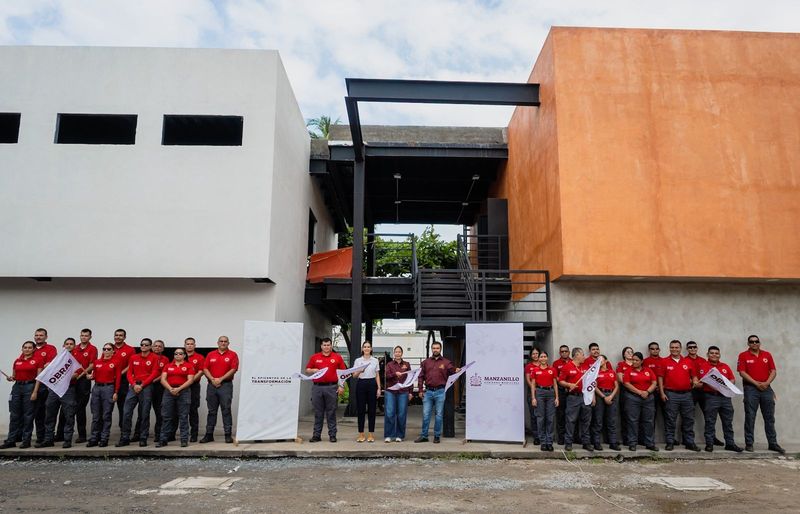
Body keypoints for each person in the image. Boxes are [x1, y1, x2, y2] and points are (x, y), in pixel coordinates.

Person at [737, 335, 784, 453]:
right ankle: (749, 444)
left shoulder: (767, 355)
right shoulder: (743, 355)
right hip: (751, 389)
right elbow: (742, 372)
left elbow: (773, 371)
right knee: (750, 416)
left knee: (769, 418)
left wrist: (766, 383)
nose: (754, 343)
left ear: (759, 343)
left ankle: (773, 443)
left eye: (756, 341)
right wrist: (756, 383)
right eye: (751, 342)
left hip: (766, 389)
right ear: (748, 344)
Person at [696, 346, 743, 453]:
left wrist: (729, 386)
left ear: (719, 355)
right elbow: (707, 381)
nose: (714, 355)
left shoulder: (725, 366)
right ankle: (709, 444)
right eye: (711, 353)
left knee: (728, 422)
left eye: (716, 353)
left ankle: (730, 444)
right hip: (711, 397)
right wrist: (722, 389)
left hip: (726, 398)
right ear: (708, 355)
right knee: (710, 422)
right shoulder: (704, 366)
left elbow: (732, 379)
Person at [37, 338, 80, 448]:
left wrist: (65, 378)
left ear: (74, 346)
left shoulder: (76, 358)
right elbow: (50, 369)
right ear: (63, 345)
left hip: (68, 390)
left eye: (71, 344)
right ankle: (48, 439)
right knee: (49, 415)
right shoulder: (58, 358)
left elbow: (77, 373)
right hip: (54, 389)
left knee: (69, 416)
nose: (69, 345)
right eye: (67, 344)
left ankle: (67, 440)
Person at [658, 340, 700, 451]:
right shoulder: (664, 361)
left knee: (688, 420)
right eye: (672, 347)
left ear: (680, 348)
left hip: (687, 395)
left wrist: (695, 381)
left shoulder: (688, 361)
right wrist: (662, 393)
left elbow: (694, 376)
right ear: (669, 348)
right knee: (670, 420)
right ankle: (670, 442)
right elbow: (660, 378)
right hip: (671, 395)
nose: (674, 349)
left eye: (676, 347)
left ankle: (689, 442)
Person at [117, 338, 159, 447]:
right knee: (126, 412)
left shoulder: (154, 357)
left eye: (146, 345)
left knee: (144, 413)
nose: (143, 346)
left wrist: (142, 385)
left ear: (150, 346)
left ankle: (143, 438)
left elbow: (154, 373)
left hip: (146, 387)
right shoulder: (134, 357)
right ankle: (125, 437)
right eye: (142, 345)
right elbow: (129, 372)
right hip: (133, 386)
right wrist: (134, 384)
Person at [415, 341, 459, 444]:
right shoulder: (425, 362)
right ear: (431, 349)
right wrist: (420, 390)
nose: (435, 350)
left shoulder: (446, 363)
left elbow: (452, 370)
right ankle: (424, 435)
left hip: (440, 391)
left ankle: (437, 436)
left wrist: (457, 370)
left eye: (437, 348)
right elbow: (420, 376)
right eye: (434, 348)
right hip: (428, 392)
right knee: (426, 415)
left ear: (440, 349)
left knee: (439, 415)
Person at [1, 342, 43, 449]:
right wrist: (10, 378)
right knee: (14, 415)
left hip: (30, 387)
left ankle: (26, 441)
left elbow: (39, 378)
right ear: (22, 349)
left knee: (28, 415)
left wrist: (35, 392)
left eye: (30, 348)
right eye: (25, 347)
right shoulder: (17, 361)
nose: (27, 349)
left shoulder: (38, 360)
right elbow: (14, 376)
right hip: (17, 388)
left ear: (34, 349)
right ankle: (11, 440)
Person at [304, 337, 345, 443]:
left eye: (328, 345)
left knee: (331, 412)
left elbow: (343, 374)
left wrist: (341, 386)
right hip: (317, 387)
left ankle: (332, 435)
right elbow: (307, 370)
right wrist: (313, 370)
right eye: (324, 345)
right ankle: (316, 435)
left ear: (331, 346)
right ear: (321, 346)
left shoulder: (337, 357)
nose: (326, 347)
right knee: (318, 413)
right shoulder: (314, 357)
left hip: (332, 387)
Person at [200, 335, 239, 444]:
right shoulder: (210, 354)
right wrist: (213, 379)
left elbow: (233, 369)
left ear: (228, 343)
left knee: (226, 410)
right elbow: (205, 368)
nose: (223, 343)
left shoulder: (233, 355)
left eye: (225, 341)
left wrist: (220, 379)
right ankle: (209, 435)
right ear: (218, 343)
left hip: (225, 386)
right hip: (212, 385)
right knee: (211, 411)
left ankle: (227, 435)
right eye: (221, 341)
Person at [686, 341, 723, 447]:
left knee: (709, 416)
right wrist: (693, 382)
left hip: (704, 390)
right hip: (691, 391)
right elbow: (684, 376)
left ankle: (712, 438)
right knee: (688, 416)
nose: (692, 349)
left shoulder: (703, 360)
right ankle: (687, 439)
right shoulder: (684, 361)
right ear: (687, 349)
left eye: (694, 347)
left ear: (697, 348)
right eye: (690, 347)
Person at [156, 349, 195, 448]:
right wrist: (171, 389)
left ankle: (184, 440)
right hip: (169, 391)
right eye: (176, 353)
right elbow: (162, 379)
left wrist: (179, 389)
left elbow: (190, 380)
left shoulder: (189, 366)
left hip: (184, 391)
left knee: (183, 416)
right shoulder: (168, 366)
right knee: (166, 416)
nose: (178, 355)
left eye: (180, 353)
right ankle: (163, 440)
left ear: (184, 355)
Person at [558, 347, 594, 451]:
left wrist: (593, 396)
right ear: (577, 355)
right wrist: (569, 384)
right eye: (582, 355)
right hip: (573, 397)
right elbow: (560, 381)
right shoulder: (567, 366)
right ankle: (568, 442)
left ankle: (586, 442)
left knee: (586, 420)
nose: (584, 357)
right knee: (571, 420)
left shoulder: (585, 367)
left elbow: (591, 382)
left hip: (585, 396)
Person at [86, 343, 121, 447]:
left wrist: (116, 392)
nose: (106, 351)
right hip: (97, 388)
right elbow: (95, 375)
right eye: (104, 349)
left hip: (108, 388)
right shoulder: (97, 362)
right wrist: (90, 377)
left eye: (108, 349)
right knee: (96, 415)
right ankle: (94, 438)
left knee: (106, 415)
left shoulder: (116, 362)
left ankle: (104, 438)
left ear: (113, 351)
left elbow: (118, 378)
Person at [622, 352, 658, 451]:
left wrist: (647, 391)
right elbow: (626, 383)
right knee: (632, 421)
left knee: (649, 421)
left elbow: (654, 382)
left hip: (648, 398)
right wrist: (639, 392)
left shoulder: (648, 370)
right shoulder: (628, 370)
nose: (634, 362)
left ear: (642, 361)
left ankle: (649, 443)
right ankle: (632, 443)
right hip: (633, 398)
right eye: (633, 360)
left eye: (637, 360)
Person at [70, 329, 97, 444]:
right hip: (72, 381)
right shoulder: (74, 348)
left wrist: (81, 374)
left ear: (90, 337)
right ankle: (64, 434)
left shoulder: (92, 349)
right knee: (70, 407)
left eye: (86, 336)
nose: (84, 337)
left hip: (83, 381)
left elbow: (92, 364)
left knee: (80, 408)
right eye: (82, 335)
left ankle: (82, 435)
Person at [352, 341, 381, 443]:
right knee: (361, 410)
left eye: (368, 347)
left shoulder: (375, 360)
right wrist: (360, 370)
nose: (367, 348)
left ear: (371, 349)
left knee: (372, 410)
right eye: (365, 347)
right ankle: (361, 434)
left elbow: (377, 375)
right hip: (361, 384)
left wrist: (379, 388)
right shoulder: (358, 360)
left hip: (372, 384)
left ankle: (371, 434)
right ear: (362, 349)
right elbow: (354, 376)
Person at [32, 328, 57, 445]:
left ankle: (48, 438)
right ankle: (40, 437)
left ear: (46, 337)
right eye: (36, 335)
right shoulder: (30, 348)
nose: (38, 337)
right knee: (36, 413)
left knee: (46, 413)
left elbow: (50, 365)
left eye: (41, 335)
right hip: (31, 384)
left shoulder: (51, 349)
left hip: (45, 384)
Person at [530, 350, 558, 451]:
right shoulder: (535, 370)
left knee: (550, 418)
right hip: (540, 393)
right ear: (539, 358)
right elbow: (533, 385)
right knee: (540, 418)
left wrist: (557, 397)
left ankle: (549, 442)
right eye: (541, 357)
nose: (542, 358)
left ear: (547, 358)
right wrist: (533, 398)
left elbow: (555, 384)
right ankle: (543, 442)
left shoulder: (552, 369)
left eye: (544, 356)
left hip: (550, 394)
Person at [384, 346, 412, 443]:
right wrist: (395, 374)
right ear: (394, 353)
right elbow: (386, 376)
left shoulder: (407, 364)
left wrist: (411, 392)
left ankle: (400, 435)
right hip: (391, 391)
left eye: (399, 352)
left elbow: (410, 378)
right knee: (390, 413)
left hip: (403, 392)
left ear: (402, 353)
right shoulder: (389, 364)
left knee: (401, 414)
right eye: (396, 352)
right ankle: (389, 435)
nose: (397, 353)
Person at [592, 355, 620, 451]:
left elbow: (616, 386)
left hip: (611, 395)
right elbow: (594, 386)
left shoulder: (612, 372)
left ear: (606, 361)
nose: (599, 361)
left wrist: (611, 396)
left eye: (601, 359)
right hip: (600, 396)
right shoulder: (595, 373)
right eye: (597, 359)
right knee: (598, 420)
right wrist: (603, 397)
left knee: (612, 421)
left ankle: (613, 442)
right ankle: (596, 442)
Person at [111, 329, 134, 432]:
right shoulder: (109, 348)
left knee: (123, 408)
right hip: (110, 381)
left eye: (121, 335)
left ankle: (124, 432)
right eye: (116, 335)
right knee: (106, 409)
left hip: (123, 381)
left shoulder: (130, 349)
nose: (118, 337)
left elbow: (130, 365)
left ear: (124, 337)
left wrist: (119, 374)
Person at [183, 337, 205, 443]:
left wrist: (190, 381)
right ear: (185, 345)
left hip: (194, 386)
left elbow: (201, 371)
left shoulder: (200, 357)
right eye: (187, 344)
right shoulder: (179, 356)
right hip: (181, 387)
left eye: (192, 344)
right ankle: (173, 434)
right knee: (180, 411)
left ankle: (194, 435)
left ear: (195, 345)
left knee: (193, 410)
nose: (189, 345)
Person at [642, 342, 664, 444]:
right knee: (650, 417)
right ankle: (650, 439)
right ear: (649, 350)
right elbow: (643, 376)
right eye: (652, 349)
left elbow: (667, 376)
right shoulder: (645, 361)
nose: (654, 350)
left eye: (656, 349)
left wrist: (662, 387)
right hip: (650, 392)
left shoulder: (664, 361)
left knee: (667, 416)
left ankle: (670, 439)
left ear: (659, 350)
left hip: (663, 391)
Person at [150, 340, 170, 444]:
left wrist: (153, 380)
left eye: (159, 346)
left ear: (162, 348)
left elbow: (164, 374)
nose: (157, 348)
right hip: (146, 386)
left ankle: (158, 435)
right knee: (143, 412)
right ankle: (138, 434)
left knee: (160, 412)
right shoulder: (146, 357)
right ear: (152, 347)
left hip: (159, 387)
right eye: (155, 346)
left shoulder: (165, 359)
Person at [553, 344, 571, 445]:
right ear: (560, 353)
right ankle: (561, 437)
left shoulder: (573, 362)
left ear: (569, 352)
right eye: (562, 351)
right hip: (561, 391)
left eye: (566, 351)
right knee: (561, 415)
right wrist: (564, 384)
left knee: (572, 416)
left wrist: (570, 386)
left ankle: (573, 436)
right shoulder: (556, 363)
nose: (564, 353)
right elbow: (555, 377)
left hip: (572, 392)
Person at [616, 346, 634, 444]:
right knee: (625, 415)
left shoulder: (637, 364)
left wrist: (627, 376)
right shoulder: (621, 364)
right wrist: (632, 379)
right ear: (624, 354)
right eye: (628, 352)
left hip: (636, 393)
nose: (630, 353)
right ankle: (626, 438)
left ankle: (635, 438)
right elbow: (620, 379)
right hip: (625, 392)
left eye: (631, 352)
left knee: (635, 417)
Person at [524, 348, 540, 444]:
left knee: (542, 416)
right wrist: (535, 389)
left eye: (537, 353)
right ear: (531, 355)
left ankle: (543, 435)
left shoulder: (544, 365)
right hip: (532, 393)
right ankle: (536, 437)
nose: (535, 355)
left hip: (544, 392)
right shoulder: (529, 366)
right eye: (533, 354)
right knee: (534, 415)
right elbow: (528, 380)